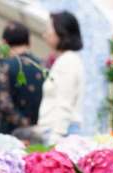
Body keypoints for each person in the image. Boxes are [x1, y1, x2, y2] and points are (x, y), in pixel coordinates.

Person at [35, 11, 84, 143]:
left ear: (61, 32)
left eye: (49, 28)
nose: (45, 33)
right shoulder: (65, 59)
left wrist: (56, 138)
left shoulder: (68, 61)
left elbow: (64, 103)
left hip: (58, 132)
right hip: (55, 130)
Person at [0, 22, 45, 134]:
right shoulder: (42, 65)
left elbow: (3, 103)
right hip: (39, 133)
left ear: (5, 43)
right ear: (29, 42)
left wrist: (23, 123)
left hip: (10, 135)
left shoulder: (5, 66)